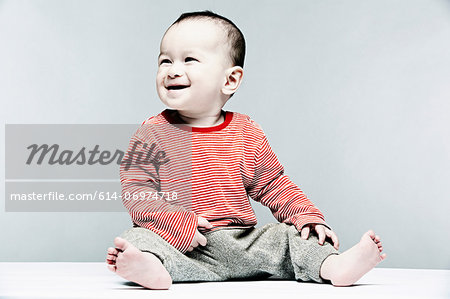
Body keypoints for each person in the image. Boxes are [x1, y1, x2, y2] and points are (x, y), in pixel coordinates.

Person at [105, 10, 386, 289]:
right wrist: (175, 223)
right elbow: (137, 191)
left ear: (230, 80)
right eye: (165, 61)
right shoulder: (151, 134)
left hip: (244, 243)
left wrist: (306, 215)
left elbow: (274, 185)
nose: (173, 70)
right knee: (137, 238)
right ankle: (151, 269)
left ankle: (333, 266)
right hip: (184, 245)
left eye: (189, 59)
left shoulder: (246, 132)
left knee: (292, 237)